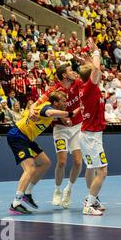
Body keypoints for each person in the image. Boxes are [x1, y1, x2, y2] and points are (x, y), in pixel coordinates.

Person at [7, 91, 80, 215]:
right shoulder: (46, 107)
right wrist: (71, 113)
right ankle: (15, 203)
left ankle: (27, 193)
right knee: (30, 169)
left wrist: (65, 120)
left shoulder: (52, 110)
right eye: (63, 101)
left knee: (45, 163)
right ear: (55, 103)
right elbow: (50, 112)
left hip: (27, 139)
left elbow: (54, 115)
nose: (65, 103)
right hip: (17, 136)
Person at [29, 63, 84, 209]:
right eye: (70, 71)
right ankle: (58, 190)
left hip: (78, 127)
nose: (73, 72)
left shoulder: (78, 82)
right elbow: (36, 103)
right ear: (64, 75)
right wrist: (31, 109)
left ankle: (68, 190)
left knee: (78, 162)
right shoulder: (54, 90)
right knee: (62, 162)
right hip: (60, 128)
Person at [77, 38, 107, 216]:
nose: (100, 73)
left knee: (93, 168)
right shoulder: (89, 87)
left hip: (90, 133)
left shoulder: (85, 85)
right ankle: (89, 204)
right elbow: (95, 69)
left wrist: (88, 59)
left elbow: (92, 69)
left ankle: (92, 200)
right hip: (91, 135)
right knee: (102, 171)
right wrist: (96, 51)